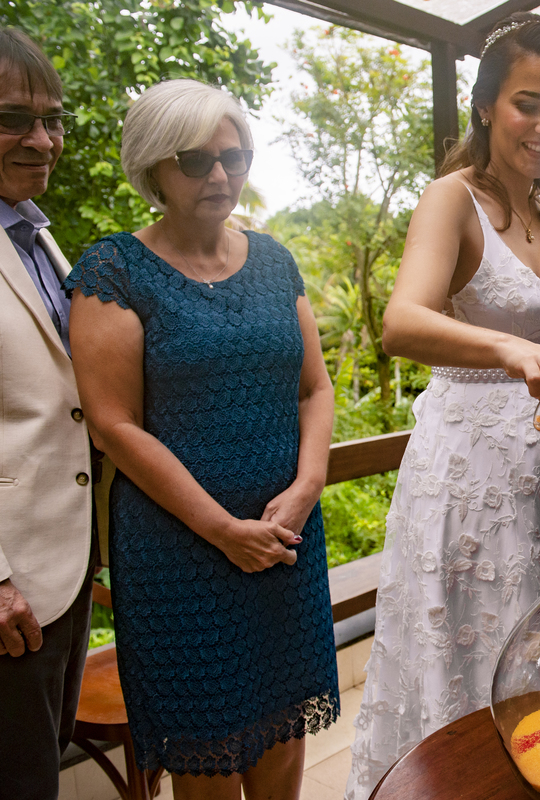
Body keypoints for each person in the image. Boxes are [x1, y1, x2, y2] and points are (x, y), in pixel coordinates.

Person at [344, 14, 540, 797]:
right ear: (487, 105)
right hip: (474, 480)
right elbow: (403, 322)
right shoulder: (449, 198)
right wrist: (516, 352)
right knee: (472, 659)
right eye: (529, 103)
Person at [66, 79, 338, 799]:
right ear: (153, 166)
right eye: (195, 159)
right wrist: (220, 529)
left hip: (286, 537)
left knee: (284, 723)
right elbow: (114, 424)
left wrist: (307, 486)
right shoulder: (115, 269)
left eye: (235, 155)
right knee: (208, 751)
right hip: (181, 551)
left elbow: (315, 388)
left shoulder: (276, 261)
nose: (220, 174)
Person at [0, 27, 95, 800]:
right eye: (12, 118)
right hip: (9, 589)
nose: (42, 139)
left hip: (62, 571)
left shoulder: (36, 236)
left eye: (52, 118)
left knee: (40, 767)